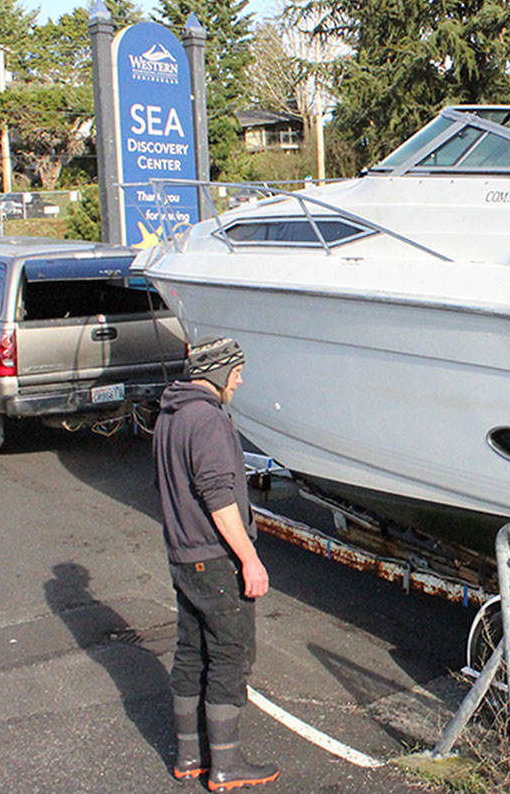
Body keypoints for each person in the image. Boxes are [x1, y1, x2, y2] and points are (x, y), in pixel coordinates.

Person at [154, 337, 279, 791]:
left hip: (183, 556)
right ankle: (226, 767)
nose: (241, 380)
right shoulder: (206, 420)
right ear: (220, 373)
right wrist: (250, 559)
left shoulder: (169, 415)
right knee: (231, 655)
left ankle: (189, 757)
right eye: (238, 371)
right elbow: (218, 497)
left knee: (191, 652)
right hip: (215, 558)